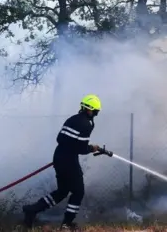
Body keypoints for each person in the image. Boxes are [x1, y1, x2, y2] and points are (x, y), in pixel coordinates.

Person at [22, 94, 103, 231]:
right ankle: (67, 224)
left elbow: (60, 139)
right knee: (78, 192)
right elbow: (81, 148)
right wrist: (91, 148)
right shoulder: (86, 125)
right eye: (95, 111)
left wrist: (76, 147)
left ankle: (32, 210)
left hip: (59, 157)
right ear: (89, 109)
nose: (95, 114)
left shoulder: (72, 119)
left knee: (62, 191)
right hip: (69, 161)